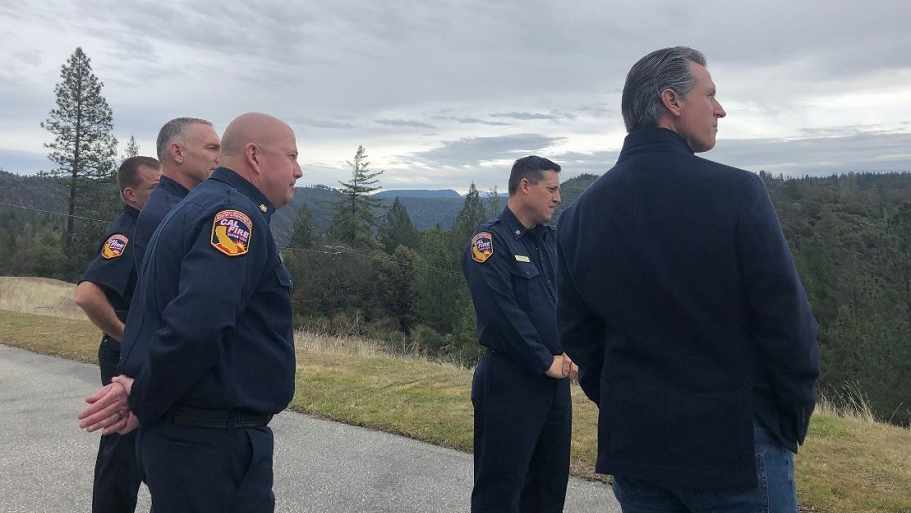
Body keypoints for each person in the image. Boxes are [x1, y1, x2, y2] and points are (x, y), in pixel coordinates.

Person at [555, 46, 820, 512]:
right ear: (672, 101)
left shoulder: (579, 216)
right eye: (711, 94)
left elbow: (579, 337)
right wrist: (788, 417)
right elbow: (787, 325)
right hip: (735, 444)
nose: (720, 109)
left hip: (636, 451)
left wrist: (625, 406)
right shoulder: (738, 193)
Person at [78, 112, 302, 512]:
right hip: (211, 444)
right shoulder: (233, 216)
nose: (298, 170)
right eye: (290, 156)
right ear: (254, 155)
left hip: (194, 439)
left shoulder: (197, 204)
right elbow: (198, 325)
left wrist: (143, 390)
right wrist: (144, 398)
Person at [461, 155, 577, 513]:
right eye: (552, 189)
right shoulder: (489, 242)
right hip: (511, 383)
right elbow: (501, 315)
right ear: (525, 186)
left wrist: (572, 351)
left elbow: (568, 301)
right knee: (501, 491)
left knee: (548, 488)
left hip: (555, 385)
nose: (558, 198)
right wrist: (545, 361)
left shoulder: (549, 242)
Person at [73, 156, 161, 513]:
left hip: (145, 347)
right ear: (130, 194)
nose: (165, 194)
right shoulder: (126, 234)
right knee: (121, 447)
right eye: (156, 189)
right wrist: (126, 336)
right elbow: (87, 294)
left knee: (148, 441)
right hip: (125, 352)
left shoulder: (153, 228)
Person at [132, 117, 220, 268]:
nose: (219, 158)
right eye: (211, 148)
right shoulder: (171, 212)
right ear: (177, 152)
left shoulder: (178, 204)